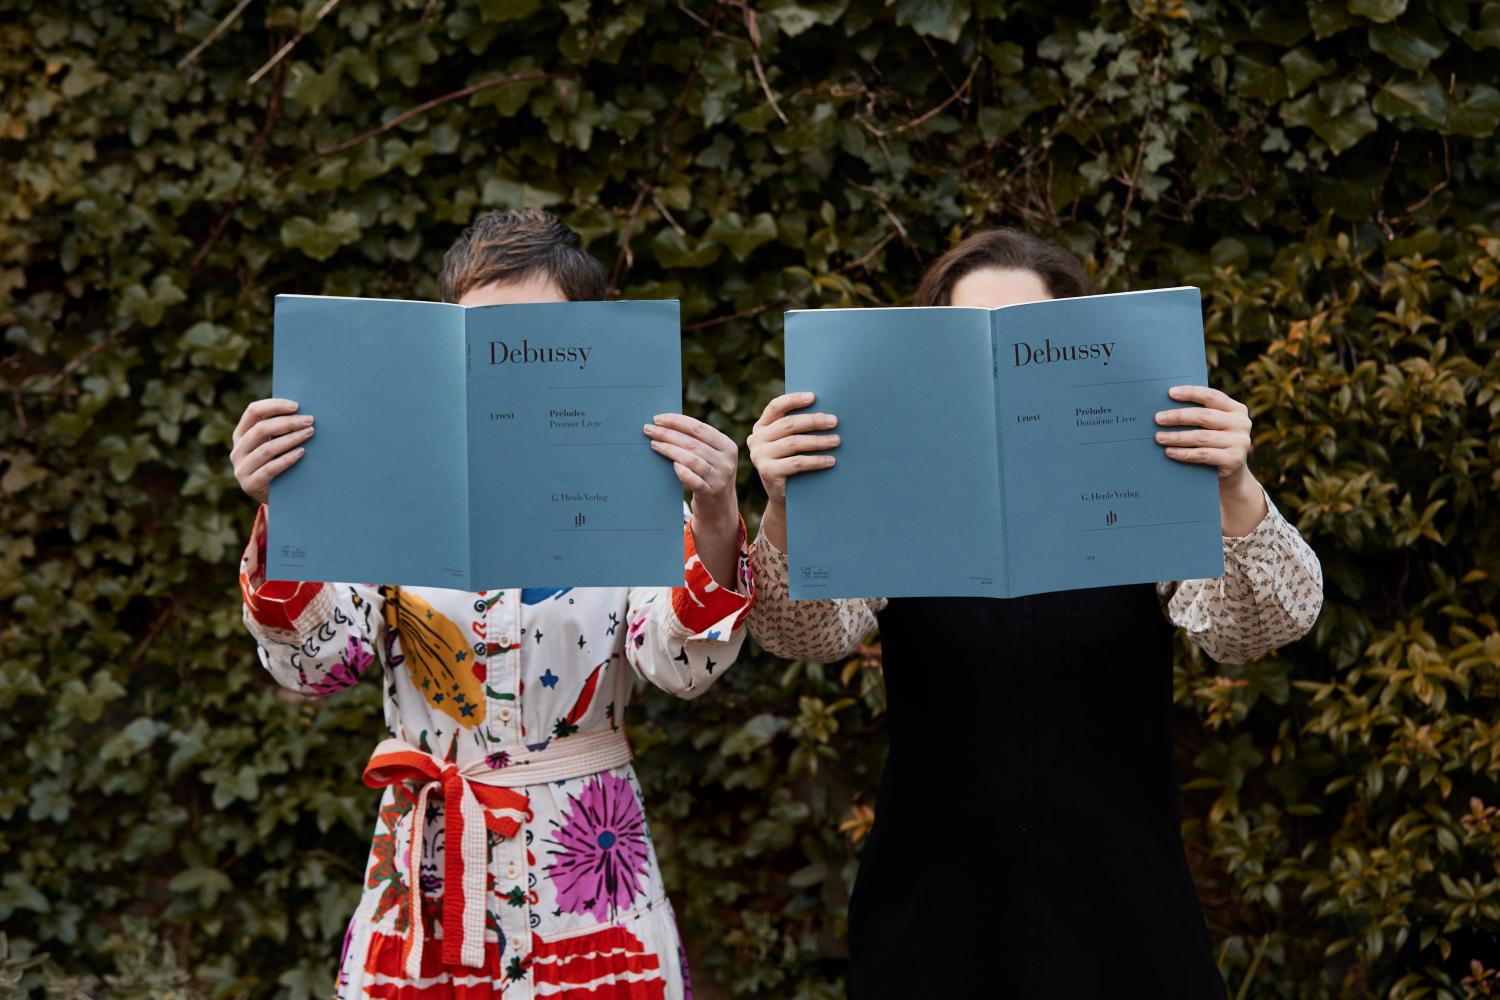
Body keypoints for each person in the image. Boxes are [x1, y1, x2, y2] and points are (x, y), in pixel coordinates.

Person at [745, 228, 1323, 997]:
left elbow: (1262, 626)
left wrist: (1236, 489)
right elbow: (797, 633)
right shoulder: (894, 485)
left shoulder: (1143, 472)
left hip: (1125, 908)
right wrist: (787, 508)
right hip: (934, 917)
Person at [231, 209, 753, 998]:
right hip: (426, 877)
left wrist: (715, 516)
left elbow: (678, 665)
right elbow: (321, 668)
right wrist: (284, 507)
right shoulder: (384, 485)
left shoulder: (632, 488)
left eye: (536, 346)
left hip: (590, 870)